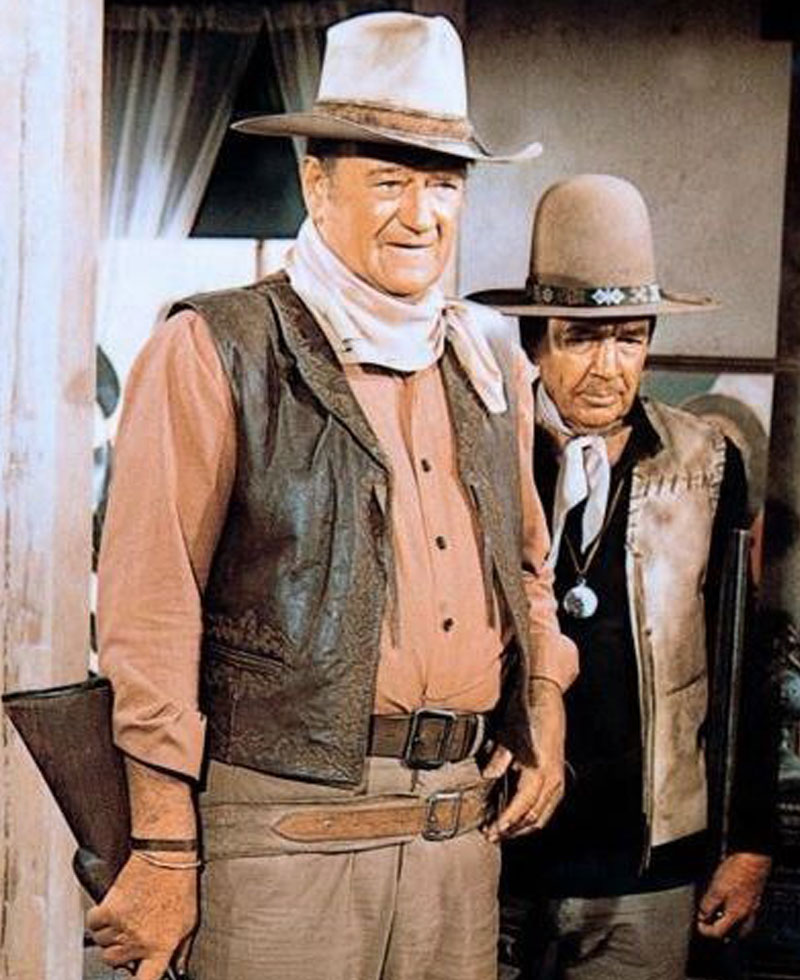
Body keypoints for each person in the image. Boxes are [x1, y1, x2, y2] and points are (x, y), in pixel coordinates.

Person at [87, 12, 577, 980]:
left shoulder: (487, 363)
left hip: (456, 835)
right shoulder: (212, 347)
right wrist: (164, 848)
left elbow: (527, 572)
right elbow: (149, 615)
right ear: (317, 184)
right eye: (389, 181)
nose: (420, 215)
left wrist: (543, 704)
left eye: (443, 183)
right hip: (281, 838)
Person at [471, 174, 775, 980]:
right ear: (536, 341)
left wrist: (750, 840)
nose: (608, 368)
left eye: (630, 339)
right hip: (492, 848)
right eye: (581, 338)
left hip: (645, 862)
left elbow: (741, 660)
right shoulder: (482, 451)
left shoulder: (706, 461)